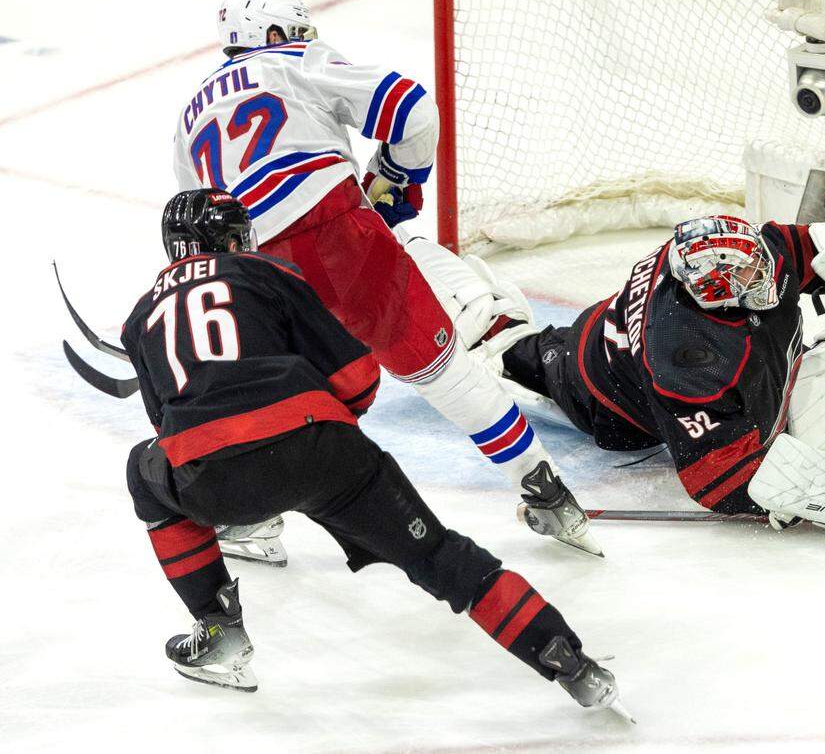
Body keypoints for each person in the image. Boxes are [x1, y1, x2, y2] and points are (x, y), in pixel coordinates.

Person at [120, 189, 625, 716]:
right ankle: (571, 663)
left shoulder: (139, 317)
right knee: (441, 559)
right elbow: (358, 382)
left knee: (144, 470)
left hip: (215, 479)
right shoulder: (270, 273)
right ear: (229, 239)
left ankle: (217, 628)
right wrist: (312, 439)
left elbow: (167, 427)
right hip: (328, 453)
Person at [170, 0, 599, 555]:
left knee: (284, 401)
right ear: (273, 36)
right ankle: (544, 491)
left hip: (252, 267)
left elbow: (202, 225)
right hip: (336, 229)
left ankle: (254, 519)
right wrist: (399, 175)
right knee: (442, 371)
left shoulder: (186, 119)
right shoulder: (294, 61)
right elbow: (412, 107)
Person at [433, 178, 825, 533]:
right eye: (749, 278)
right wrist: (805, 494)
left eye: (758, 265)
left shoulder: (724, 257)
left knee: (770, 339)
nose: (765, 276)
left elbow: (795, 252)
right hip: (604, 401)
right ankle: (495, 336)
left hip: (605, 336)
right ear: (716, 293)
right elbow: (714, 478)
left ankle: (509, 338)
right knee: (519, 354)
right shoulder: (688, 360)